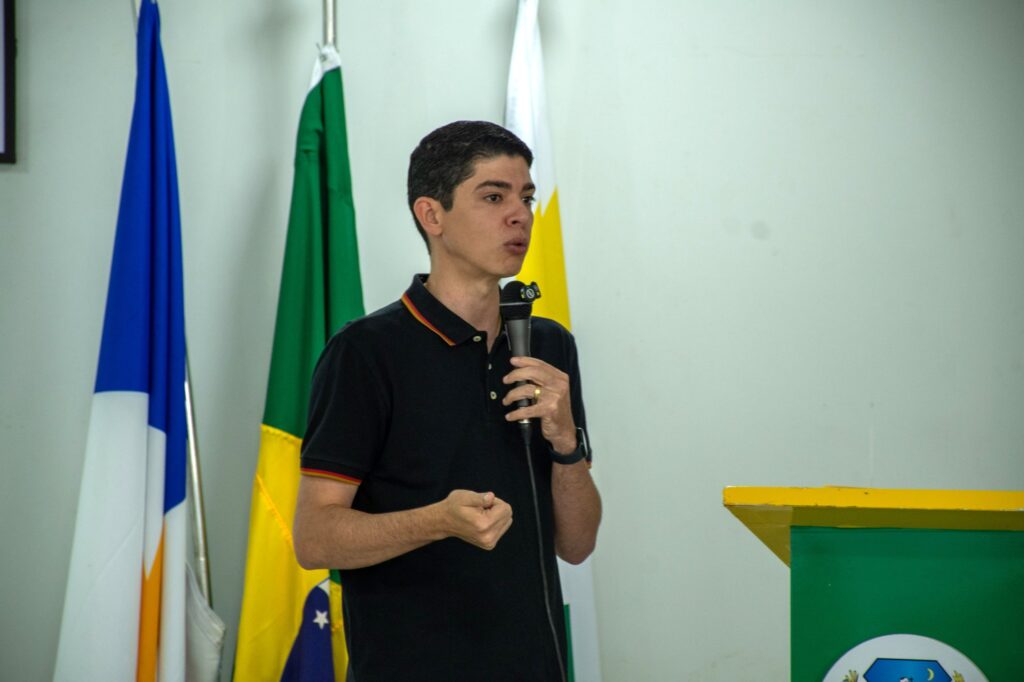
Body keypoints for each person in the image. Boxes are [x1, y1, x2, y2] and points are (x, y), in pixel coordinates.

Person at [293, 120, 602, 680]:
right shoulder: (365, 352)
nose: (520, 215)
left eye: (527, 197)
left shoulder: (548, 345)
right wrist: (437, 521)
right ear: (431, 215)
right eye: (494, 196)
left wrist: (566, 444)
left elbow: (577, 544)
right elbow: (314, 539)